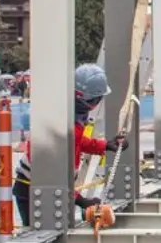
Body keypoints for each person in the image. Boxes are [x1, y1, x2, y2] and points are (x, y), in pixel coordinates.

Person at [12, 64, 127, 226]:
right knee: (43, 238)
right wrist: (81, 201)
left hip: (44, 189)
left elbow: (76, 143)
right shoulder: (62, 123)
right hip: (34, 191)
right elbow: (53, 175)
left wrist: (105, 146)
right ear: (91, 100)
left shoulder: (70, 114)